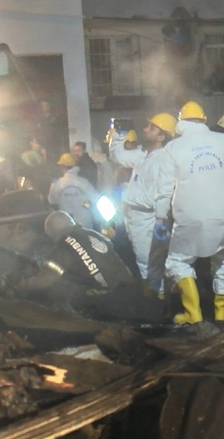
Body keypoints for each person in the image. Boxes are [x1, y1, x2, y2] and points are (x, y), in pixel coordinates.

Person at [155, 100, 224, 325]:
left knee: (177, 262)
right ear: (204, 120)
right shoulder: (223, 141)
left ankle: (193, 313)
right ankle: (222, 311)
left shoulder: (174, 148)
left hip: (189, 221)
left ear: (181, 122)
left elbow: (164, 188)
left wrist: (160, 218)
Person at [18, 211, 162, 324]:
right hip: (131, 291)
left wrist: (23, 286)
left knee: (71, 298)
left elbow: (47, 280)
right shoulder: (93, 234)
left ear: (52, 233)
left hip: (110, 300)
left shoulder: (63, 245)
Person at [109, 113, 178, 298]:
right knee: (146, 265)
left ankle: (158, 305)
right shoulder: (145, 154)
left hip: (147, 223)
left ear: (162, 136)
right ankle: (155, 301)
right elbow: (118, 156)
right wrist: (118, 134)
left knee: (149, 266)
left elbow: (151, 200)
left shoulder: (162, 161)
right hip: (136, 219)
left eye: (151, 128)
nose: (145, 129)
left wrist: (124, 195)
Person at [48, 153, 98, 229]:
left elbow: (52, 201)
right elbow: (95, 199)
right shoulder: (84, 182)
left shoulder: (57, 184)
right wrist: (85, 205)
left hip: (67, 225)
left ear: (62, 167)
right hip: (85, 223)